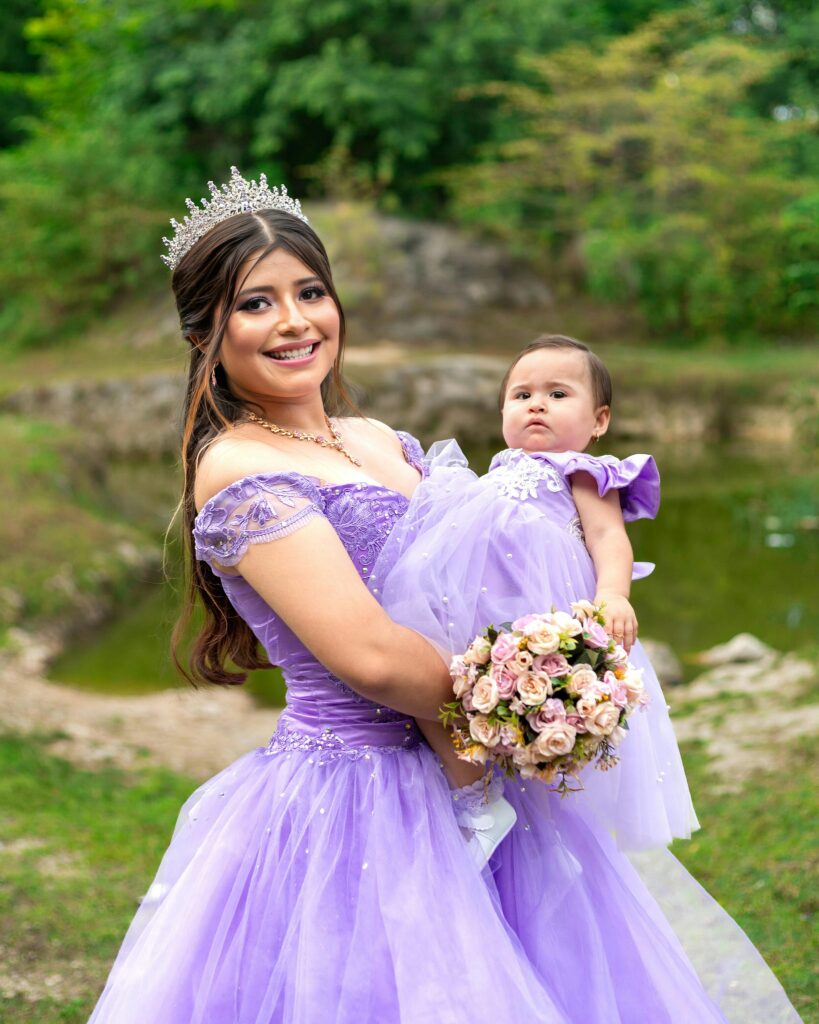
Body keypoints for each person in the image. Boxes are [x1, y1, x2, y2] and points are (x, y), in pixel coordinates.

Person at [88, 169, 802, 1023]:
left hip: (491, 777)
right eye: (256, 303)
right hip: (359, 802)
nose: (294, 321)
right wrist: (530, 711)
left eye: (310, 291)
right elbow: (373, 657)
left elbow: (467, 573)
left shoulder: (374, 438)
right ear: (206, 329)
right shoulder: (240, 467)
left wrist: (564, 619)